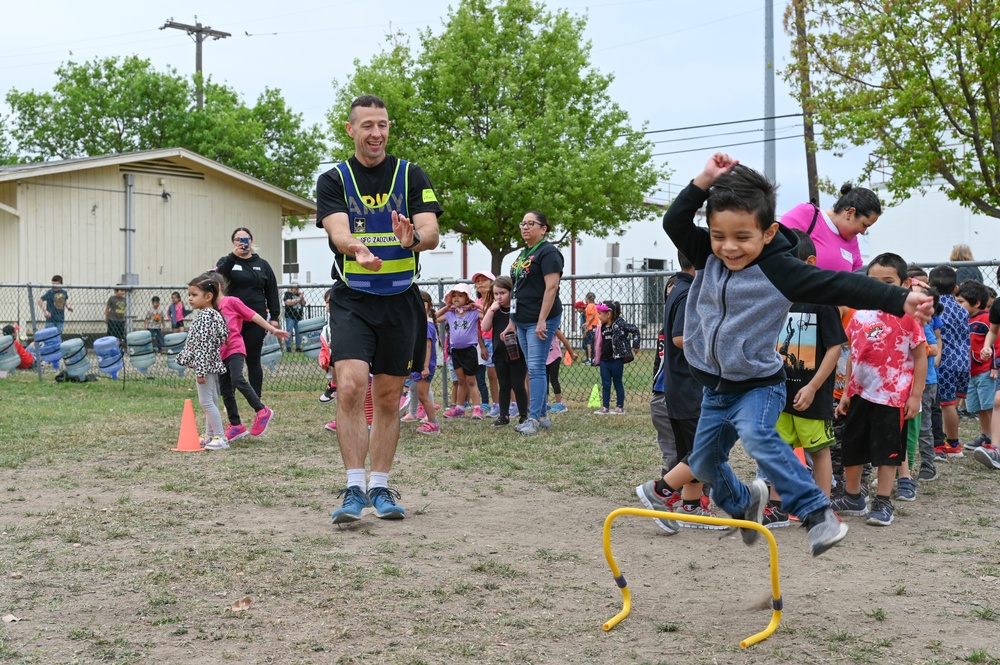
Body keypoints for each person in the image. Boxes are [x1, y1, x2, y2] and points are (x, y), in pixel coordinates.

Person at [663, 153, 933, 557]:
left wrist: (899, 299)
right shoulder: (707, 253)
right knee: (703, 462)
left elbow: (840, 285)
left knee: (757, 436)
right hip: (715, 386)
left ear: (769, 233)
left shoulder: (781, 270)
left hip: (758, 383)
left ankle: (816, 513)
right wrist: (704, 179)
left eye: (742, 237)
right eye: (719, 236)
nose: (729, 248)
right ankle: (744, 503)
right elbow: (674, 222)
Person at [316, 94, 441, 524]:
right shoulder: (334, 179)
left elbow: (431, 231)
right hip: (353, 298)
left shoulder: (410, 175)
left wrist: (412, 240)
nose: (376, 133)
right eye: (367, 125)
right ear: (351, 129)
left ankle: (381, 488)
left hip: (402, 300)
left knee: (389, 396)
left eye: (383, 125)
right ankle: (353, 487)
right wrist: (357, 248)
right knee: (350, 387)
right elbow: (338, 231)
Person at [833, 253, 927, 527]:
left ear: (905, 283)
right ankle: (853, 496)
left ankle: (883, 501)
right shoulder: (859, 316)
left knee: (887, 450)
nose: (880, 288)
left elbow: (921, 357)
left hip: (892, 397)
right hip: (860, 393)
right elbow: (854, 355)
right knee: (853, 446)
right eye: (874, 282)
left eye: (888, 282)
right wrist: (848, 392)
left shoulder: (909, 318)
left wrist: (916, 395)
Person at [761, 231, 847, 528]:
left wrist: (812, 386)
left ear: (808, 263)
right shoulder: (775, 301)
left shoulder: (822, 301)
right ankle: (777, 505)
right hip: (778, 394)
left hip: (812, 395)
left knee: (818, 451)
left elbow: (836, 347)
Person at [636, 251, 726, 535]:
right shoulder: (688, 293)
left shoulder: (682, 288)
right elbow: (680, 338)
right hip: (689, 387)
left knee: (693, 449)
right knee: (707, 449)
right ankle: (660, 491)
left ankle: (691, 505)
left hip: (682, 386)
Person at [503, 210, 563, 436]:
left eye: (531, 224)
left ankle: (534, 419)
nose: (525, 227)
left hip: (541, 317)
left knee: (537, 369)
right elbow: (518, 289)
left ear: (543, 228)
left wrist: (542, 321)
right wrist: (512, 322)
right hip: (522, 318)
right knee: (533, 368)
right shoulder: (524, 253)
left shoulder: (548, 253)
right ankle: (543, 416)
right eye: (523, 224)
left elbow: (552, 288)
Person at [213, 274, 288, 443]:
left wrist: (273, 329)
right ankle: (236, 425)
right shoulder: (211, 310)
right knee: (225, 389)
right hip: (220, 353)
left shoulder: (231, 302)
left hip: (235, 348)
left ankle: (262, 411)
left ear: (217, 286)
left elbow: (253, 315)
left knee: (237, 378)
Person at [216, 227, 280, 398]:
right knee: (230, 359)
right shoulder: (227, 261)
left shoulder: (262, 265)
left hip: (255, 318)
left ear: (251, 241)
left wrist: (274, 318)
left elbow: (272, 291)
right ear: (233, 242)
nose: (242, 243)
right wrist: (233, 257)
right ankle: (229, 398)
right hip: (231, 320)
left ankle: (256, 399)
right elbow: (218, 277)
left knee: (253, 359)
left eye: (245, 239)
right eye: (238, 239)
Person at [175, 273, 231, 451]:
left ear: (208, 296)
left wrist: (201, 370)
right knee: (211, 401)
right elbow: (223, 336)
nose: (190, 299)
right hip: (211, 364)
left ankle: (220, 437)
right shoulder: (213, 314)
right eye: (189, 295)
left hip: (205, 366)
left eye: (194, 295)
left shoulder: (205, 317)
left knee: (206, 402)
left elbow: (203, 345)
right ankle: (209, 434)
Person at [780, 183, 881, 272]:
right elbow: (780, 251)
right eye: (864, 225)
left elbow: (857, 279)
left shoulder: (853, 243)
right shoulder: (807, 215)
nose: (863, 232)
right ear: (850, 213)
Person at [929, 266, 970, 457]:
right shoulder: (962, 310)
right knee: (952, 403)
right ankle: (950, 438)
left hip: (944, 361)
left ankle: (954, 444)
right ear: (956, 288)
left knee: (947, 405)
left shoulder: (936, 309)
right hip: (963, 360)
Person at [482, 276, 528, 426]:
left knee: (518, 384)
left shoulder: (517, 309)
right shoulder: (495, 309)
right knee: (504, 385)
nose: (499, 297)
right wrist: (491, 309)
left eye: (502, 293)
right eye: (496, 293)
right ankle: (504, 415)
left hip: (516, 352)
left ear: (511, 292)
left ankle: (523, 415)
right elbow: (484, 327)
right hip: (500, 352)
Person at [437, 283, 486, 420]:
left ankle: (477, 408)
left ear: (467, 298)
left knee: (471, 380)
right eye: (454, 296)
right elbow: (434, 318)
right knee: (460, 380)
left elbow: (489, 313)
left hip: (469, 351)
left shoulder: (473, 313)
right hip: (455, 351)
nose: (456, 298)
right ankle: (459, 408)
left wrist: (477, 306)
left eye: (460, 296)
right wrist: (446, 308)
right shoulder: (450, 314)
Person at [956, 280, 995, 450]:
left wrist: (994, 366)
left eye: (961, 302)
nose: (958, 306)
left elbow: (996, 342)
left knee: (990, 406)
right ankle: (986, 436)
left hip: (986, 370)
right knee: (979, 407)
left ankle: (996, 439)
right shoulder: (966, 320)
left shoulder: (987, 319)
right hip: (972, 371)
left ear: (977, 303)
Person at [592, 301, 640, 415]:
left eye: (600, 314)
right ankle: (605, 407)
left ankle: (619, 406)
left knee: (617, 382)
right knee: (606, 383)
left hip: (616, 360)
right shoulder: (601, 328)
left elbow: (635, 330)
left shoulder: (620, 324)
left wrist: (636, 345)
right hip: (605, 360)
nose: (598, 316)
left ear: (608, 314)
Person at [974, 265, 1000, 471]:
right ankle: (996, 450)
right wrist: (986, 347)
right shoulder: (998, 305)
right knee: (998, 401)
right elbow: (992, 331)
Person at [406, 291, 441, 434]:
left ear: (428, 306)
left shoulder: (426, 325)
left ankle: (433, 423)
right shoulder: (419, 324)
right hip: (417, 365)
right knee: (413, 390)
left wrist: (425, 367)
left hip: (423, 366)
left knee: (423, 395)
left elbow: (427, 347)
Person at [472, 270, 500, 417]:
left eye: (484, 280)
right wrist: (482, 345)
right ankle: (496, 404)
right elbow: (477, 327)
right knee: (491, 374)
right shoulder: (476, 303)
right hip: (486, 341)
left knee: (505, 374)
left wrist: (477, 309)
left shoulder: (497, 300)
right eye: (478, 281)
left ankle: (514, 403)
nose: (480, 283)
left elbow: (492, 316)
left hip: (499, 339)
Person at [546, 328, 577, 413]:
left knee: (553, 379)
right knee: (544, 380)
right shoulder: (536, 327)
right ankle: (545, 403)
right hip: (543, 357)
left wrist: (572, 353)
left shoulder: (553, 327)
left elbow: (564, 341)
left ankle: (559, 403)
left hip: (554, 357)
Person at [282, 283, 306, 352]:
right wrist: (298, 299)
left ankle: (298, 347)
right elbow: (289, 302)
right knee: (289, 331)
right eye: (295, 287)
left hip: (298, 316)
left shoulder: (299, 295)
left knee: (298, 332)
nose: (296, 289)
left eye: (297, 288)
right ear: (291, 288)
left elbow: (303, 304)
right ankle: (288, 347)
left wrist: (302, 298)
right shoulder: (287, 294)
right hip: (290, 316)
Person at [583, 292, 599, 364]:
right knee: (595, 343)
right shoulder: (596, 305)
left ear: (587, 298)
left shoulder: (589, 305)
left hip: (591, 327)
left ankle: (590, 359)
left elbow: (592, 315)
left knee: (589, 344)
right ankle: (595, 358)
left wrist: (587, 323)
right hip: (596, 326)